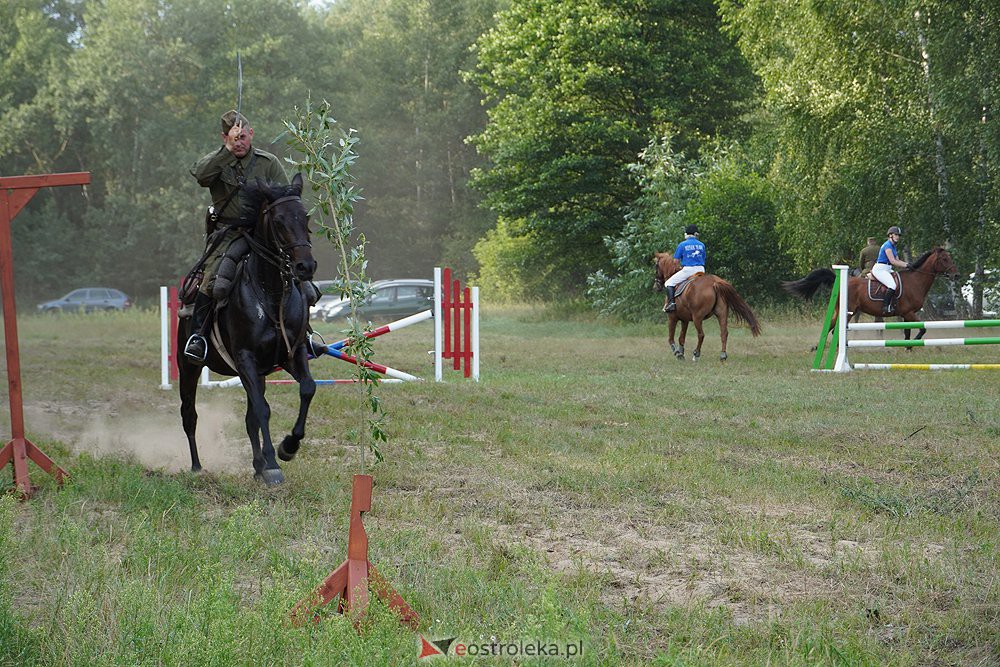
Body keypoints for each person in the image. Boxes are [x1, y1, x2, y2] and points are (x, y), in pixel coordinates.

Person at [183, 110, 288, 362]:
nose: (239, 142)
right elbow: (200, 175)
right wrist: (226, 151)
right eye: (233, 138)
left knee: (294, 270)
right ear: (224, 137)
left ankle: (300, 333)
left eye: (242, 137)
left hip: (263, 233)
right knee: (213, 280)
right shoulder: (217, 162)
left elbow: (285, 197)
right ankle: (198, 338)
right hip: (228, 234)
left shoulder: (267, 162)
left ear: (251, 134)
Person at [664, 224, 707, 312]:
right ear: (696, 234)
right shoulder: (702, 245)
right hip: (701, 269)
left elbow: (675, 261)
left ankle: (672, 304)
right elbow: (703, 258)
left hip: (688, 270)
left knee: (669, 283)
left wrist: (679, 267)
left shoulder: (682, 244)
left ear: (686, 234)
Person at [871, 226, 911, 315]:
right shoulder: (887, 245)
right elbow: (893, 261)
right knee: (892, 285)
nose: (898, 237)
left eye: (898, 235)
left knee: (900, 282)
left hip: (888, 269)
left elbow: (898, 260)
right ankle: (885, 306)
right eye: (896, 235)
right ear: (890, 235)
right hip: (880, 269)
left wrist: (908, 265)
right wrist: (907, 265)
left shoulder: (893, 246)